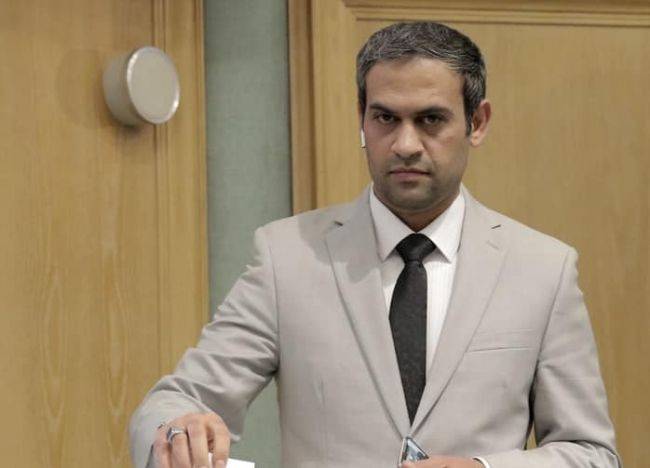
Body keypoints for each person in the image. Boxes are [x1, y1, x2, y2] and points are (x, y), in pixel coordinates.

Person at [130, 22, 620, 468]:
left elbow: (592, 454)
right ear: (361, 118)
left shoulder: (544, 269)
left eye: (431, 120)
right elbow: (173, 401)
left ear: (477, 122)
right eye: (385, 118)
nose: (405, 144)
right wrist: (177, 431)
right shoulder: (287, 257)